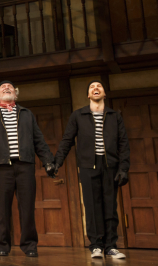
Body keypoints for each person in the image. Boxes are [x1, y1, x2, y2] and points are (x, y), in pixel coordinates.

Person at [0, 80, 57, 257]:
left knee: (27, 208)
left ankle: (29, 245)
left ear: (16, 95)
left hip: (25, 166)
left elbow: (38, 140)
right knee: (3, 209)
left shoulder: (27, 114)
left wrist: (48, 161)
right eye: (2, 87)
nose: (6, 88)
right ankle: (3, 244)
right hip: (1, 167)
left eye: (10, 87)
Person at [54, 80, 129, 259]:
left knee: (110, 207)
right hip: (88, 166)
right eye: (92, 87)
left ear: (104, 93)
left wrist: (124, 168)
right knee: (92, 207)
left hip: (110, 166)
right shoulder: (78, 116)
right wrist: (57, 162)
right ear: (88, 95)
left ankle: (111, 246)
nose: (96, 89)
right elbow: (67, 140)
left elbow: (123, 144)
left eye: (99, 87)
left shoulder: (114, 116)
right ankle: (95, 245)